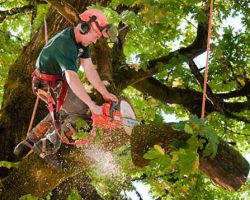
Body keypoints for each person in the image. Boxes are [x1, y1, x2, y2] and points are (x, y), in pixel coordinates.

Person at [14, 9, 118, 170]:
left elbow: (89, 69)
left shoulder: (81, 43)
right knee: (81, 113)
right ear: (84, 27)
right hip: (47, 84)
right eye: (96, 36)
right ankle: (46, 147)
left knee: (67, 108)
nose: (96, 41)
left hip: (56, 82)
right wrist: (92, 106)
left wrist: (104, 92)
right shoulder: (65, 45)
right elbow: (73, 78)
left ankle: (32, 138)